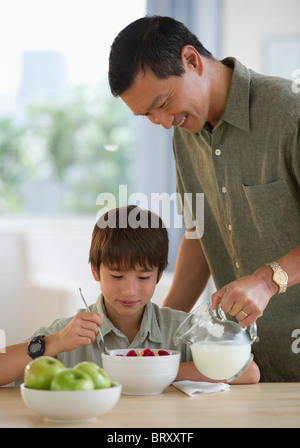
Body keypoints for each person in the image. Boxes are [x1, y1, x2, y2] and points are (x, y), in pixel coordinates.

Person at [108, 16, 300, 382]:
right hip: (245, 364)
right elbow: (201, 238)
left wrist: (267, 280)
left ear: (192, 60)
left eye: (162, 102)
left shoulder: (288, 112)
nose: (163, 122)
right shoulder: (185, 136)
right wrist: (157, 337)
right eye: (147, 115)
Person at [0, 206, 259, 387]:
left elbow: (248, 373)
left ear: (158, 276)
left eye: (144, 277)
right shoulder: (68, 333)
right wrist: (54, 342)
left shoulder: (179, 328)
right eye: (116, 276)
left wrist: (153, 372)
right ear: (95, 271)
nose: (130, 291)